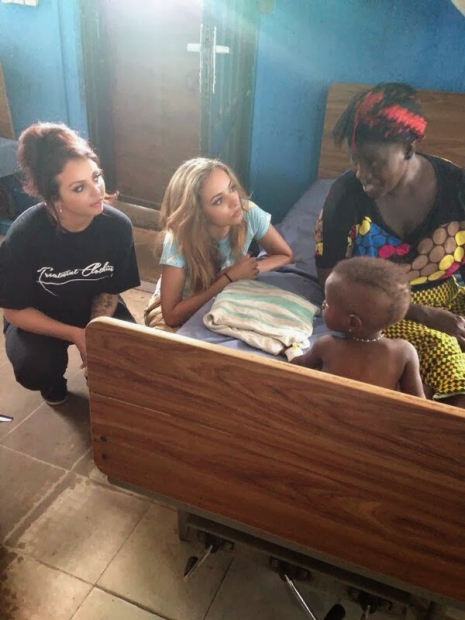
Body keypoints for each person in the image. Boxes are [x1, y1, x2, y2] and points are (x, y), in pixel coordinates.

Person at [314, 82, 465, 407]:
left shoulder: (457, 189)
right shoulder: (345, 197)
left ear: (408, 149)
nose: (361, 173)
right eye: (354, 160)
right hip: (376, 305)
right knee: (444, 349)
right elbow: (331, 282)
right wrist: (425, 315)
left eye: (373, 162)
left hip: (448, 293)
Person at [0, 122, 140, 405]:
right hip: (40, 315)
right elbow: (14, 310)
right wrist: (74, 334)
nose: (97, 192)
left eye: (96, 177)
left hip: (94, 308)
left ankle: (101, 379)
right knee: (34, 367)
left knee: (133, 356)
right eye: (79, 188)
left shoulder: (118, 227)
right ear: (54, 195)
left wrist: (94, 335)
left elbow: (110, 290)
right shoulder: (25, 235)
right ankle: (52, 382)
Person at [147, 157, 293, 328]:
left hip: (224, 296)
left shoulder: (249, 212)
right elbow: (171, 316)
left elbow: (285, 255)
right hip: (182, 304)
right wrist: (229, 278)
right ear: (197, 214)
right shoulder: (178, 239)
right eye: (218, 200)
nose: (235, 201)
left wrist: (250, 269)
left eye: (232, 188)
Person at [292, 257, 425, 397]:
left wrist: (292, 351)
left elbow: (296, 366)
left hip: (325, 410)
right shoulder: (404, 352)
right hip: (375, 412)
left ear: (352, 323)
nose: (323, 304)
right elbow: (418, 402)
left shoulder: (327, 345)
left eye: (328, 303)